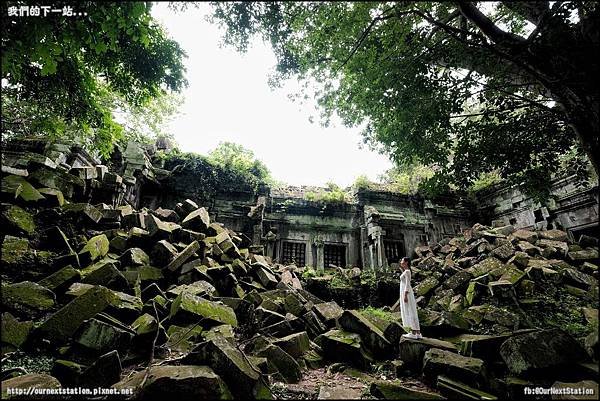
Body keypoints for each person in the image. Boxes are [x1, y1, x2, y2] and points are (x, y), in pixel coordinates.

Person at [399, 257, 422, 339]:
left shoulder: (407, 272)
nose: (401, 262)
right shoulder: (406, 271)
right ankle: (418, 333)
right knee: (412, 310)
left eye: (402, 260)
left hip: (406, 293)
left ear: (406, 262)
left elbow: (407, 284)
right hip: (407, 293)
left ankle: (413, 332)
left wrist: (405, 295)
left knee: (409, 310)